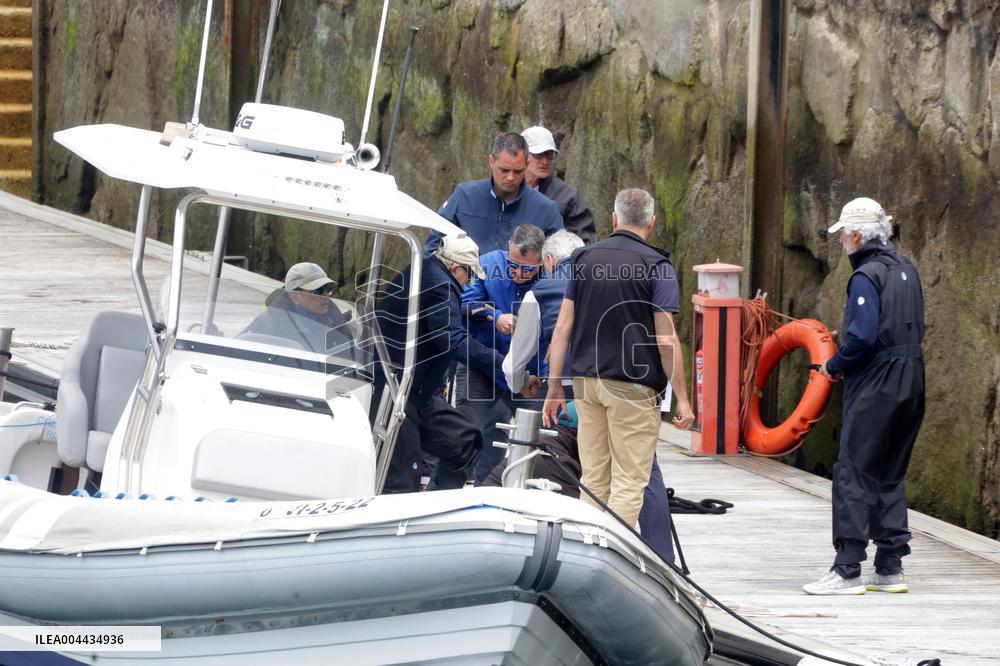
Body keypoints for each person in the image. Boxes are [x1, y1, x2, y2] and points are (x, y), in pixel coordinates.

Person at [542, 188, 695, 528]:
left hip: (586, 382)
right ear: (651, 222)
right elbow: (666, 339)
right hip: (633, 388)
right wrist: (682, 398)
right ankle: (606, 549)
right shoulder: (657, 266)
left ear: (614, 219)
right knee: (628, 481)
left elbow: (563, 327)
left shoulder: (583, 258)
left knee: (594, 478)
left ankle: (586, 548)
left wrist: (554, 387)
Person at [803, 197, 925, 595]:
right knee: (890, 470)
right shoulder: (907, 268)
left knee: (854, 470)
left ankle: (847, 568)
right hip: (912, 377)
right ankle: (890, 566)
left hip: (878, 382)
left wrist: (834, 365)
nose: (842, 241)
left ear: (856, 235)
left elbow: (864, 338)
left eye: (843, 235)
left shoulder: (864, 276)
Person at [374, 235, 502, 493]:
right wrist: (501, 362)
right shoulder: (440, 285)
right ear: (456, 268)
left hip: (418, 392)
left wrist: (477, 311)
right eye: (469, 275)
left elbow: (437, 314)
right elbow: (451, 338)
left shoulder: (428, 273)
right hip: (398, 392)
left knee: (466, 441)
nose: (470, 282)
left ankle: (441, 501)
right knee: (403, 480)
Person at [482, 401, 678, 564]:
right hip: (493, 534)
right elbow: (583, 519)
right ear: (582, 436)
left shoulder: (549, 445)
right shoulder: (557, 464)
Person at [459, 224, 545, 483]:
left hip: (528, 373)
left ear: (542, 260)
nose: (518, 273)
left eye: (527, 269)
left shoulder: (551, 279)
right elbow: (464, 302)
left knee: (536, 440)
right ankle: (445, 492)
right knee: (467, 435)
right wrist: (494, 317)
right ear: (508, 248)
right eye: (513, 265)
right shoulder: (487, 264)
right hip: (483, 366)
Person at [424, 132, 563, 256]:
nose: (510, 177)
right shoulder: (464, 196)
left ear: (527, 164)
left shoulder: (546, 210)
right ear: (491, 161)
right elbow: (432, 248)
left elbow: (559, 262)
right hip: (465, 276)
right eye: (504, 170)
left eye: (518, 171)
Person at [502, 229, 584, 398]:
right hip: (617, 382)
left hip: (566, 385)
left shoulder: (539, 292)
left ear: (549, 260)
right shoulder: (610, 280)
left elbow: (513, 366)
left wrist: (520, 383)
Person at [241, 262, 354, 354]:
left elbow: (350, 357)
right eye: (318, 291)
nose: (325, 296)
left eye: (328, 289)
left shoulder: (336, 319)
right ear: (294, 297)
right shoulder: (267, 326)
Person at [521, 126, 596, 244]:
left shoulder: (569, 197)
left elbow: (585, 243)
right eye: (538, 154)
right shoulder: (505, 190)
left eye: (549, 154)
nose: (545, 161)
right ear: (522, 155)